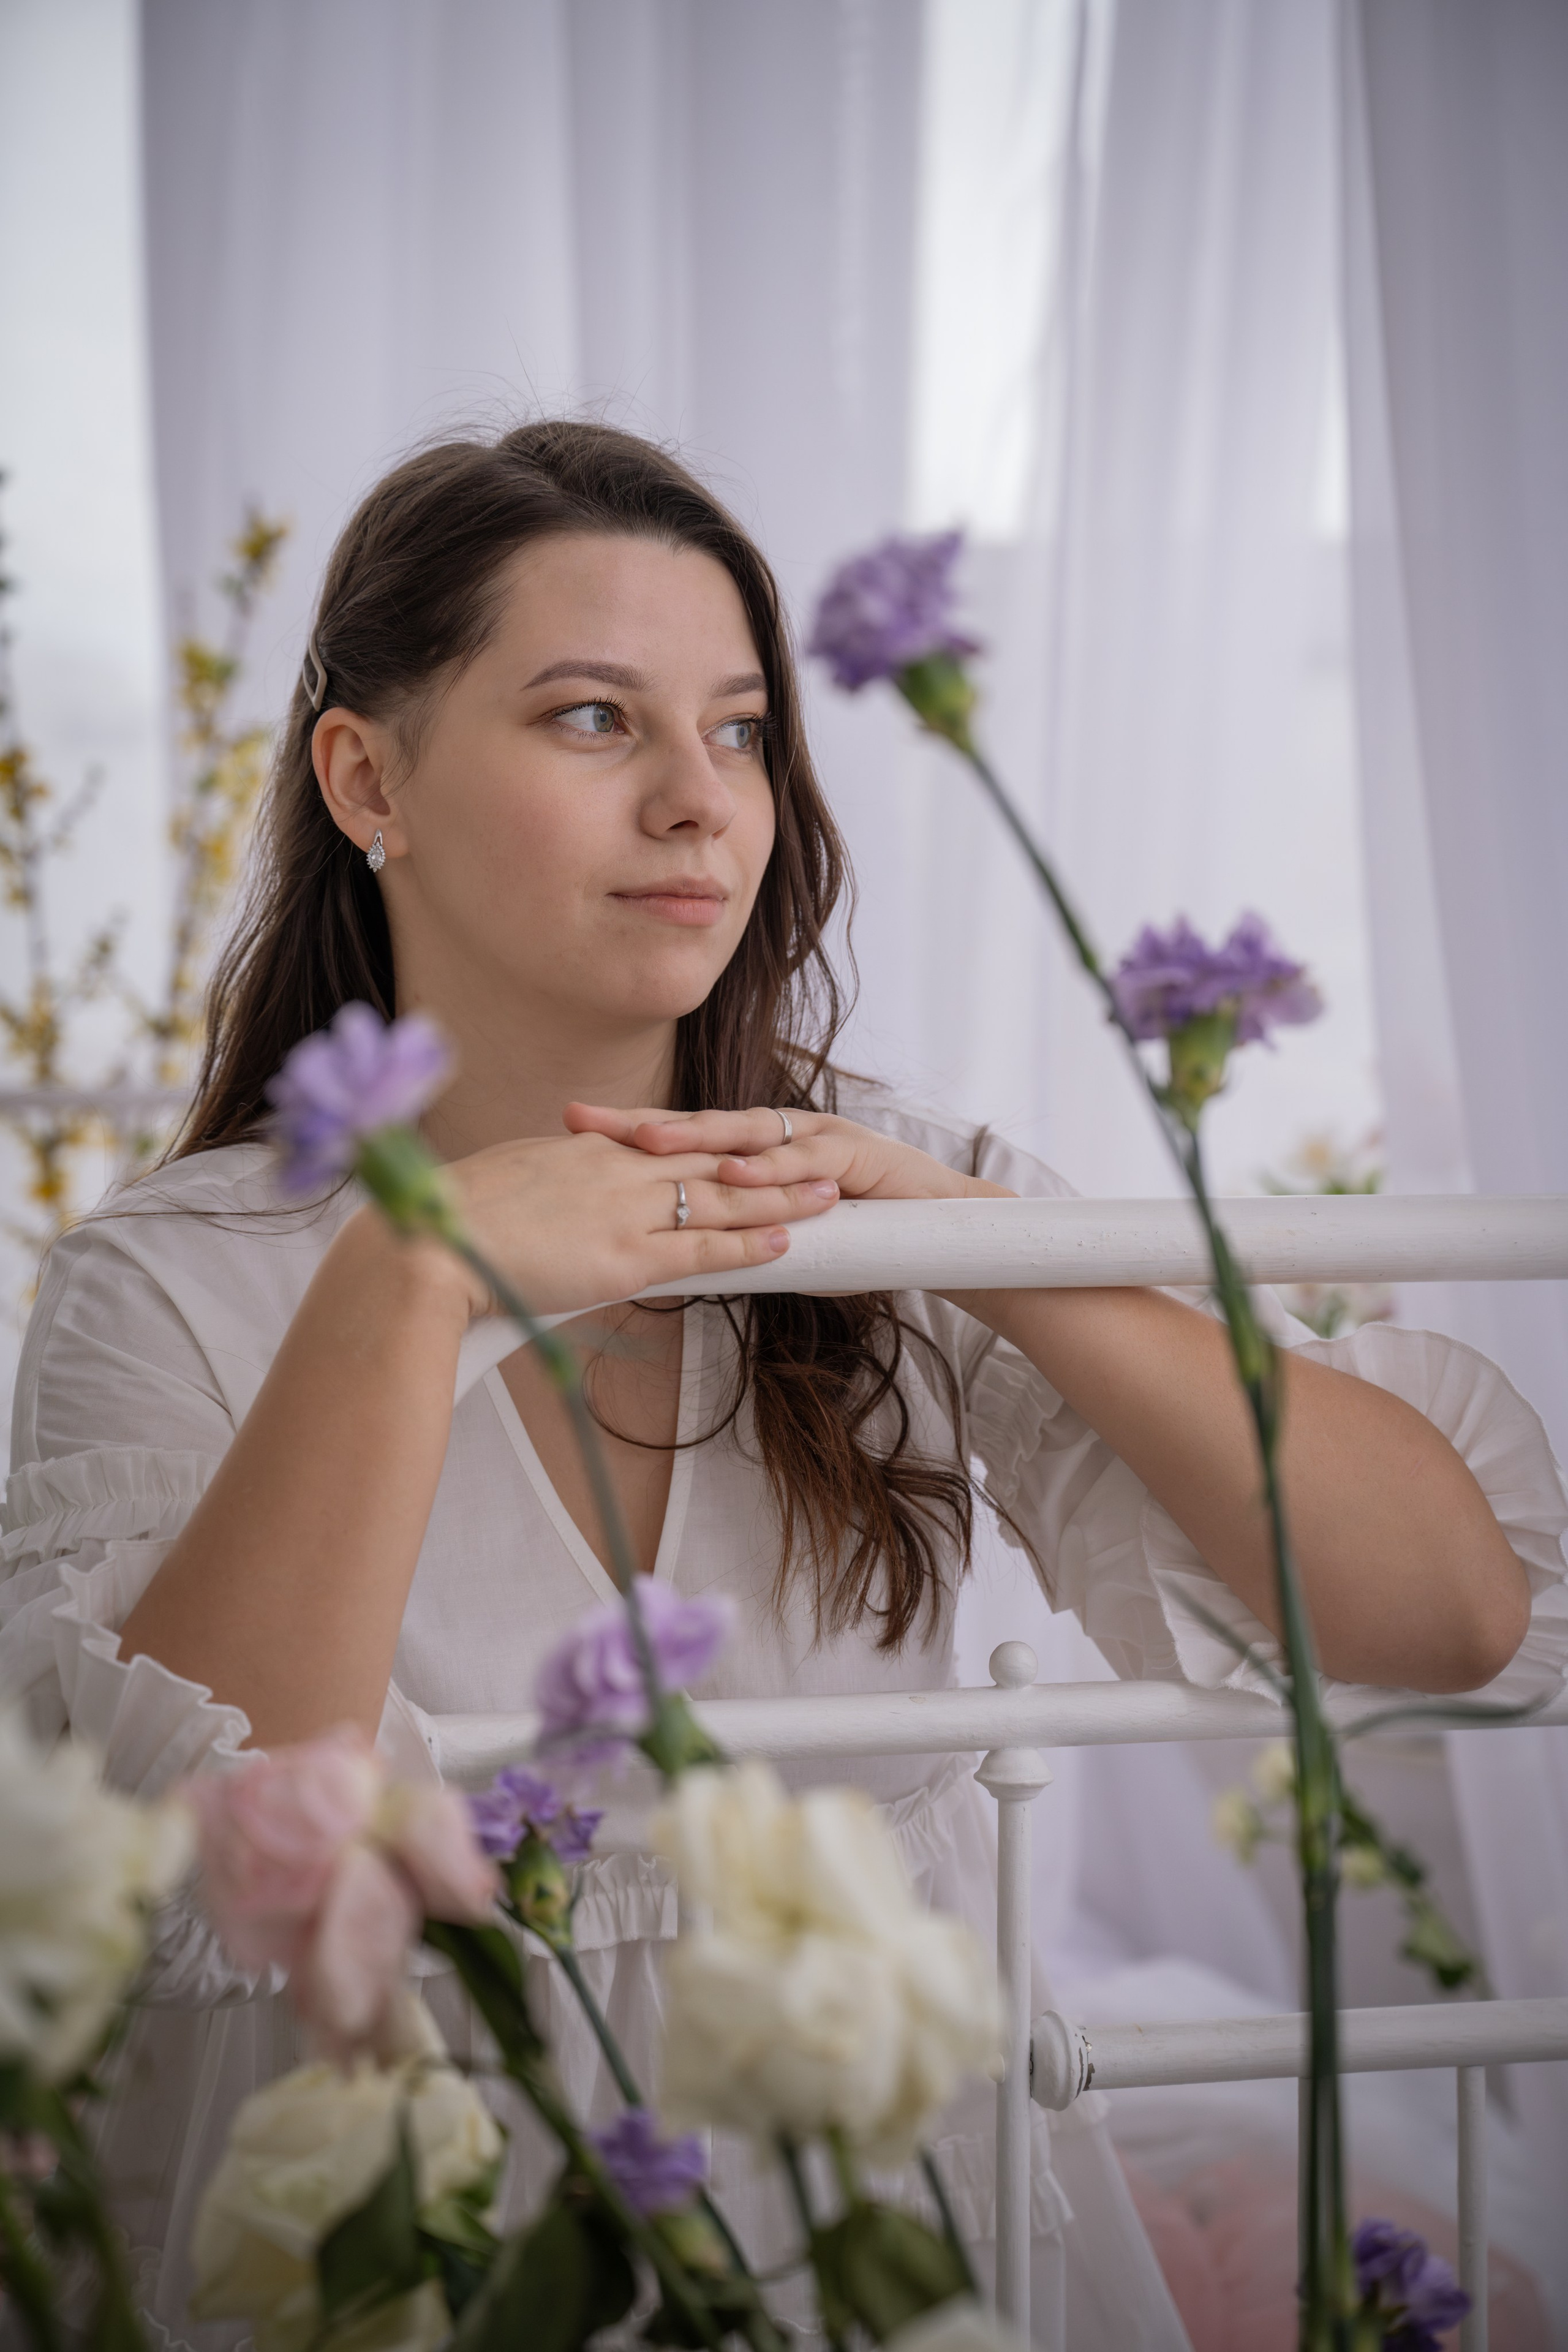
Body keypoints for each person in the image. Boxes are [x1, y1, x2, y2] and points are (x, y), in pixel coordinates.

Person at [2, 421, 1563, 2351]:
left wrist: (994, 1248)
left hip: (898, 2216)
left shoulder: (892, 1195)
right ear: (366, 777)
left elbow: (1450, 1615)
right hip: (409, 2237)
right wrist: (410, 1285)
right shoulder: (170, 1281)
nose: (699, 804)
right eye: (595, 718)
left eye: (740, 732)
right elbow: (181, 1886)